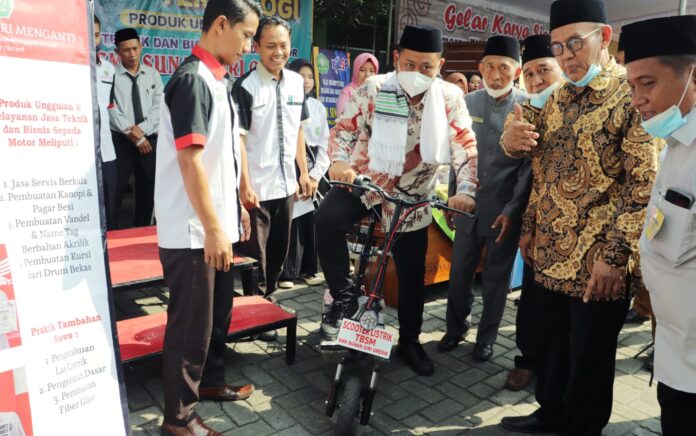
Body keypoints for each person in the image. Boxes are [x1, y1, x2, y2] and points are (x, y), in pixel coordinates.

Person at [499, 0, 660, 434]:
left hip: (597, 262)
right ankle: (549, 413)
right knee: (549, 345)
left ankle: (581, 427)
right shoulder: (556, 98)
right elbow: (541, 168)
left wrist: (615, 255)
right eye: (558, 47)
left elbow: (644, 185)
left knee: (588, 356)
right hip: (549, 253)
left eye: (575, 43)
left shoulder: (632, 96)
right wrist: (530, 228)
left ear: (603, 38)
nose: (567, 55)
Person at [316, 25, 478, 376]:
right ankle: (343, 297)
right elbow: (343, 130)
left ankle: (409, 341)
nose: (418, 73)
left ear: (440, 65)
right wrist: (340, 162)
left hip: (414, 198)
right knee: (326, 218)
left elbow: (465, 148)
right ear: (396, 59)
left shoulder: (450, 97)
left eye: (427, 67)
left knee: (410, 273)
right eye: (410, 64)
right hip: (366, 184)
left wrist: (465, 190)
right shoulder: (375, 88)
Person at [154, 1, 260, 434]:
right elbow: (191, 161)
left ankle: (210, 382)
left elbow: (223, 157)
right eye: (247, 35)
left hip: (213, 226)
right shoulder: (191, 81)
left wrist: (235, 212)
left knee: (215, 316)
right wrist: (215, 228)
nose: (249, 46)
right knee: (189, 327)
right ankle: (178, 419)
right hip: (194, 232)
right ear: (221, 24)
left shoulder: (219, 82)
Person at [622, 15, 696, 436]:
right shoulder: (674, 143)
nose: (636, 99)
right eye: (632, 86)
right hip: (673, 354)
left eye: (647, 83)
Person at [439, 35, 530, 363]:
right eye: (489, 67)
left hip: (504, 211)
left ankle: (487, 337)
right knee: (460, 271)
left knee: (496, 278)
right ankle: (455, 328)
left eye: (503, 68)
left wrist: (513, 209)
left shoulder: (527, 106)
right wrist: (453, 195)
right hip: (468, 205)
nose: (495, 74)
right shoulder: (468, 102)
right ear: (480, 68)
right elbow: (456, 153)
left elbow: (527, 168)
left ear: (516, 71)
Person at [232, 17, 315, 302]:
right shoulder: (245, 87)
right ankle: (255, 307)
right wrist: (244, 185)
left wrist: (303, 172)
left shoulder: (295, 83)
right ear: (256, 46)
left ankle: (267, 300)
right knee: (256, 255)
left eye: (283, 45)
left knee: (280, 249)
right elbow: (238, 141)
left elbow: (298, 131)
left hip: (286, 186)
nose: (278, 52)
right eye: (270, 46)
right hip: (257, 187)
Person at [499, 34, 563, 391]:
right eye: (530, 74)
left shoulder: (582, 104)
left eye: (545, 72)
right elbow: (519, 159)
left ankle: (554, 374)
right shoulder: (530, 108)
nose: (537, 81)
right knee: (533, 300)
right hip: (539, 220)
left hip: (580, 235)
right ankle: (527, 360)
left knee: (565, 314)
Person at [277, 58, 330, 289]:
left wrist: (316, 175)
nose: (306, 81)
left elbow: (325, 143)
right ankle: (287, 273)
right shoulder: (286, 101)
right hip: (293, 166)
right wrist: (299, 174)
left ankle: (309, 269)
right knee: (293, 220)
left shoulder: (318, 107)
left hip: (315, 168)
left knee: (313, 221)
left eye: (310, 77)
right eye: (302, 76)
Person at [108, 27, 163, 228]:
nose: (132, 54)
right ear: (117, 52)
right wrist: (134, 135)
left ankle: (142, 232)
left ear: (141, 47)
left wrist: (142, 131)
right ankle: (111, 235)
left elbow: (159, 108)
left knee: (148, 189)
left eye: (134, 48)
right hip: (121, 141)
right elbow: (110, 108)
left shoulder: (153, 74)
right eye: (126, 50)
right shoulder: (110, 75)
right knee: (116, 190)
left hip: (149, 140)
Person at [93, 15, 118, 230]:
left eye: (97, 34)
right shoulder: (71, 67)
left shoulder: (109, 69)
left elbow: (110, 107)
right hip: (82, 156)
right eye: (89, 35)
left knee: (110, 206)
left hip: (107, 152)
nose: (94, 40)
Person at [336, 53, 379, 117]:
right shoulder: (347, 92)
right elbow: (342, 118)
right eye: (362, 70)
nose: (367, 74)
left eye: (372, 71)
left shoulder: (379, 94)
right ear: (356, 71)